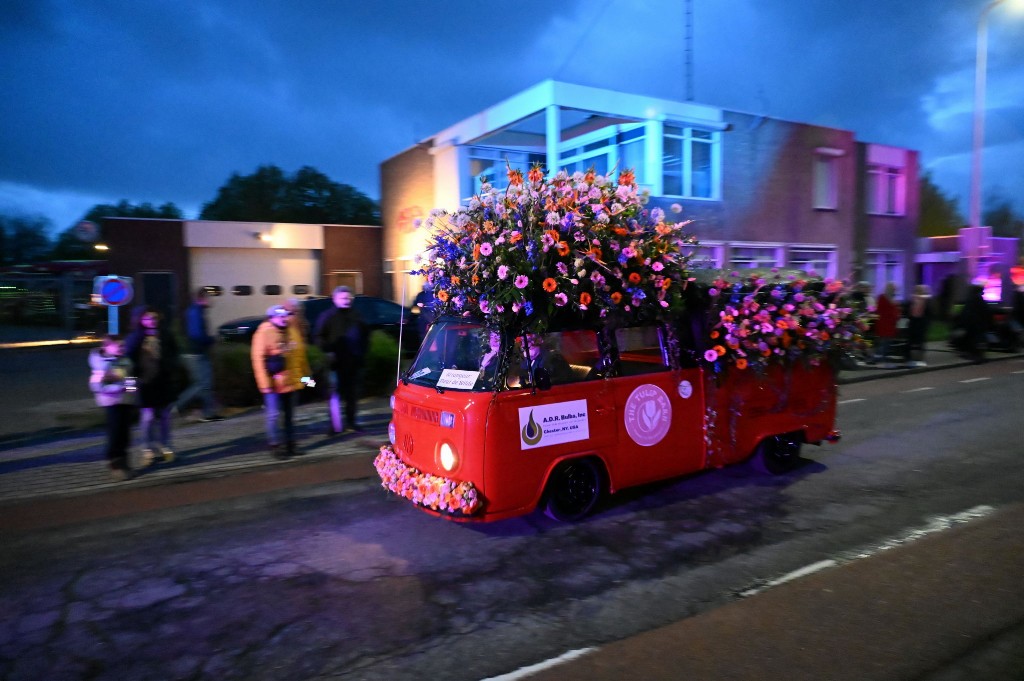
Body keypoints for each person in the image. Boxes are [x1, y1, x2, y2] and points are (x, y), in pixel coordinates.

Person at [252, 304, 313, 458]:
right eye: (280, 316)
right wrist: (265, 385)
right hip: (274, 385)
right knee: (273, 415)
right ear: (271, 318)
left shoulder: (291, 331)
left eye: (285, 315)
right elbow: (258, 360)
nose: (284, 318)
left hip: (291, 382)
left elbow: (300, 358)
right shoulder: (263, 333)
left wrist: (307, 379)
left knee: (289, 416)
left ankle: (291, 444)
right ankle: (275, 446)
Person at [125, 306, 180, 465]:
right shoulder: (136, 337)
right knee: (148, 417)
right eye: (148, 318)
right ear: (141, 320)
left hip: (163, 381)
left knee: (165, 415)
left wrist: (172, 372)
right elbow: (128, 362)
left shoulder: (165, 335)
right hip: (145, 383)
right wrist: (130, 386)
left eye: (154, 318)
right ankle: (148, 449)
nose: (152, 321)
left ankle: (166, 446)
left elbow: (174, 354)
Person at [315, 286, 368, 434]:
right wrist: (327, 350)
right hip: (335, 364)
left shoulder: (357, 316)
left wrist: (362, 354)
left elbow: (365, 337)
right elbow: (318, 337)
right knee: (335, 395)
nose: (346, 300)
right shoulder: (327, 317)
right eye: (343, 298)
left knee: (352, 395)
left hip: (353, 362)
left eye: (348, 297)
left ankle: (351, 422)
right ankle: (335, 425)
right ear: (335, 299)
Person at [88, 335, 137, 481]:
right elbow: (96, 385)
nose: (123, 349)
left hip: (125, 402)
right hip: (111, 403)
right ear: (106, 347)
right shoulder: (101, 365)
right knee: (115, 432)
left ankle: (124, 461)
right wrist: (117, 385)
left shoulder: (125, 361)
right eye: (119, 346)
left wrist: (132, 392)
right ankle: (115, 463)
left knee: (125, 433)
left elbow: (130, 378)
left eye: (124, 346)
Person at [174, 288, 223, 422]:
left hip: (196, 352)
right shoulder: (196, 312)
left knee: (205, 383)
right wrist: (212, 339)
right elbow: (196, 335)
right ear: (202, 299)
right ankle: (177, 406)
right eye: (209, 298)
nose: (211, 301)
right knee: (202, 384)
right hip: (196, 353)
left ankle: (208, 413)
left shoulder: (196, 311)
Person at [955, 284, 993, 363]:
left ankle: (975, 355)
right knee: (978, 341)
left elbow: (965, 313)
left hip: (971, 324)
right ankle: (978, 356)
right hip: (977, 325)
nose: (983, 293)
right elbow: (985, 311)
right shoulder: (978, 299)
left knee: (974, 340)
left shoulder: (970, 299)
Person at [871, 282, 901, 368]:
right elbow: (883, 310)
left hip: (889, 323)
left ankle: (881, 357)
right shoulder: (883, 297)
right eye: (894, 289)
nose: (895, 290)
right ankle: (877, 358)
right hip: (885, 322)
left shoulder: (891, 298)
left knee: (887, 341)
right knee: (884, 341)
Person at [903, 284, 933, 367]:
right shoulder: (912, 300)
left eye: (920, 290)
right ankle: (907, 357)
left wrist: (927, 323)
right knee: (909, 341)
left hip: (921, 323)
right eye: (917, 290)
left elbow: (929, 313)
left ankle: (920, 358)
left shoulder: (926, 301)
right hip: (913, 322)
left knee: (921, 341)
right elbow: (907, 311)